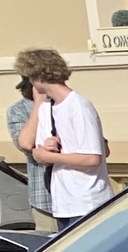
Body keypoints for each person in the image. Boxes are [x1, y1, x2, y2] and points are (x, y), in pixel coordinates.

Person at [11, 47, 114, 231]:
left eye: (31, 78)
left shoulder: (79, 106)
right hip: (62, 205)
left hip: (88, 203)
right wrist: (46, 150)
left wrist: (49, 157)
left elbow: (93, 158)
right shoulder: (46, 108)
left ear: (39, 77)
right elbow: (33, 149)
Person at [4, 78, 50, 227]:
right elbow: (26, 144)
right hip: (47, 201)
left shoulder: (66, 104)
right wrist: (39, 105)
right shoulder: (18, 110)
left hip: (77, 199)